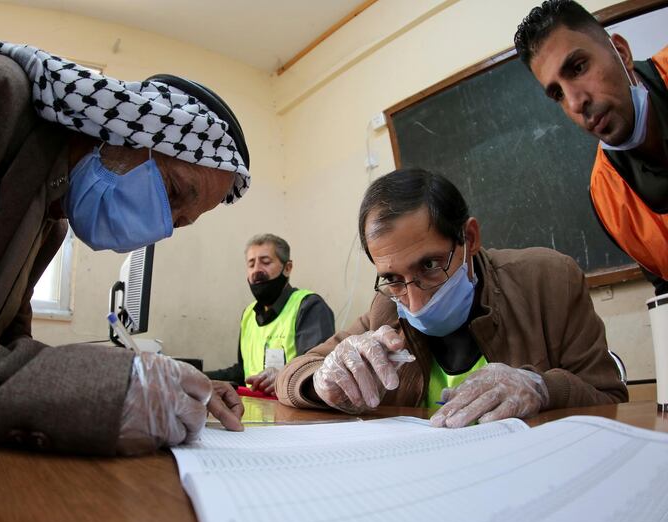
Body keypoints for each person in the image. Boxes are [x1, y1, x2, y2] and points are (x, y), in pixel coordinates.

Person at [0, 30, 249, 479]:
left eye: (179, 222)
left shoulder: (51, 215)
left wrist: (163, 385)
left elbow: (1, 347)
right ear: (125, 129)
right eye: (171, 192)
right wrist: (106, 392)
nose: (164, 227)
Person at [276, 168, 627, 427]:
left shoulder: (549, 280)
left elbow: (610, 399)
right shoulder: (386, 308)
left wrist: (542, 387)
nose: (414, 302)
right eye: (393, 278)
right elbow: (292, 375)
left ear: (469, 238)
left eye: (429, 265)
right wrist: (322, 382)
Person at [514, 0, 668, 294]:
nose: (575, 103)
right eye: (557, 93)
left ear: (621, 53)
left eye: (578, 67)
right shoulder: (606, 197)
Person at [206, 234, 334, 396]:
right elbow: (243, 371)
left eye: (265, 262)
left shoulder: (309, 306)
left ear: (287, 268)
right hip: (253, 413)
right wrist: (195, 375)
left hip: (294, 414)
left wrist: (282, 378)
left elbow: (316, 370)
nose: (257, 270)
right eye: (251, 264)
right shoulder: (248, 314)